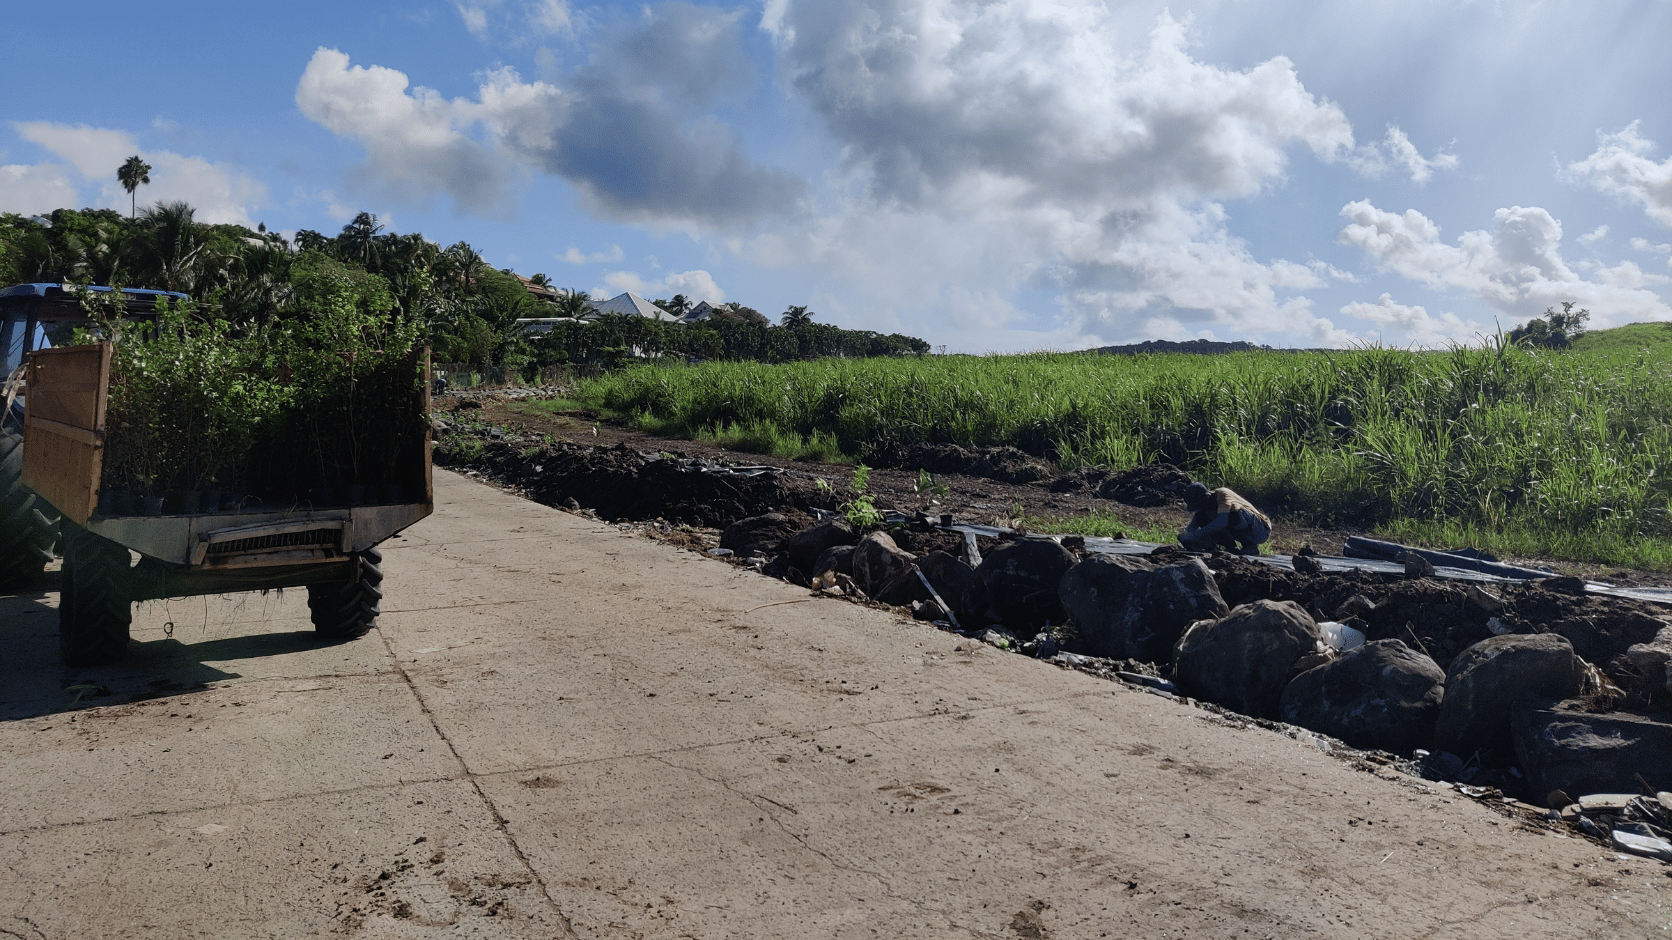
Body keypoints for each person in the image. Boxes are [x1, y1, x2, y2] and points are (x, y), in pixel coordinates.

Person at [1178, 482, 1271, 555]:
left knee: (1232, 515)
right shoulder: (1204, 509)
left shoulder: (1222, 494)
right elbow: (1191, 528)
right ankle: (1230, 548)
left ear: (1206, 498)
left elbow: (1222, 522)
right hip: (1248, 526)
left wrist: (1198, 535)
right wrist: (1187, 539)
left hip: (1261, 529)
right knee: (1202, 518)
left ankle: (1250, 546)